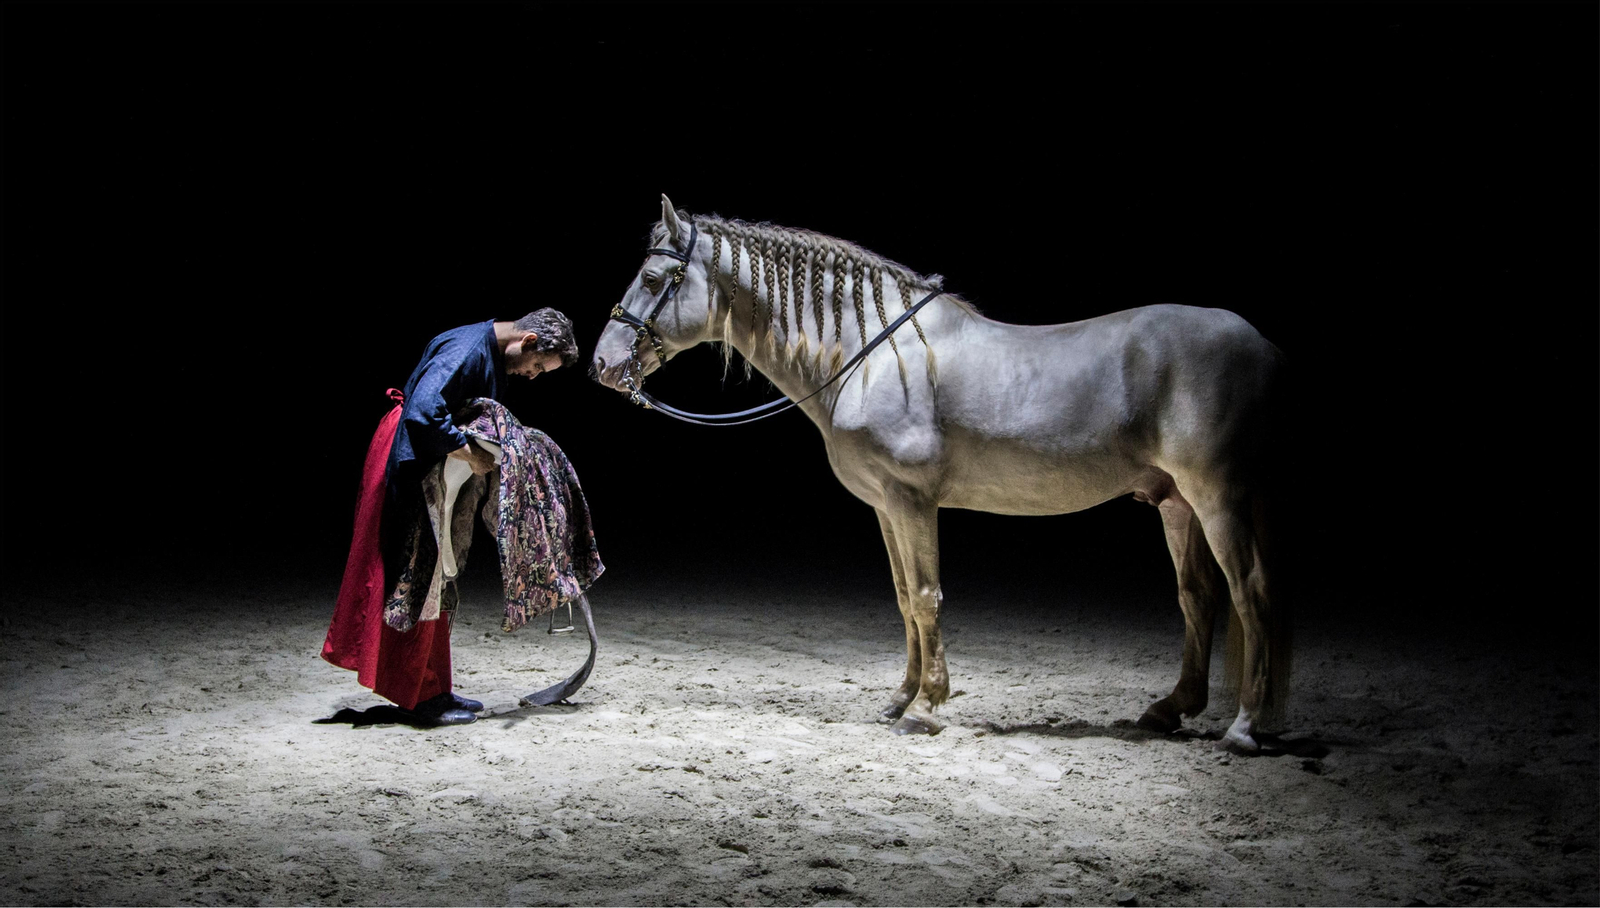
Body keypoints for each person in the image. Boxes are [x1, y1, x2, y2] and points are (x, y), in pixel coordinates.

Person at [322, 308, 581, 726]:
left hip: (431, 464)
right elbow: (424, 412)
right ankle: (418, 698)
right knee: (418, 577)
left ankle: (434, 688)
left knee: (439, 577)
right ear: (528, 341)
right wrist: (470, 452)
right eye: (535, 367)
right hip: (409, 458)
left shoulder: (487, 353)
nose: (532, 376)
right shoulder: (466, 349)